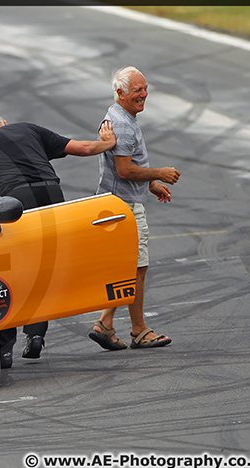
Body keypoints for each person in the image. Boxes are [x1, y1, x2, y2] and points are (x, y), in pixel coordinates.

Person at [0, 113, 117, 368]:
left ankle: (5, 349)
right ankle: (36, 334)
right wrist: (109, 142)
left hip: (17, 202)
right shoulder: (29, 128)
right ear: (4, 123)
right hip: (52, 196)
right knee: (44, 269)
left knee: (11, 273)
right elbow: (82, 148)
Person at [89, 66, 180, 351]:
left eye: (144, 88)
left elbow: (122, 170)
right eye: (137, 90)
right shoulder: (124, 125)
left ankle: (105, 323)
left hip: (117, 201)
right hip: (124, 206)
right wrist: (158, 174)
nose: (144, 94)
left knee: (126, 267)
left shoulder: (116, 114)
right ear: (120, 93)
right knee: (138, 268)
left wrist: (150, 185)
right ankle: (139, 330)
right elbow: (125, 170)